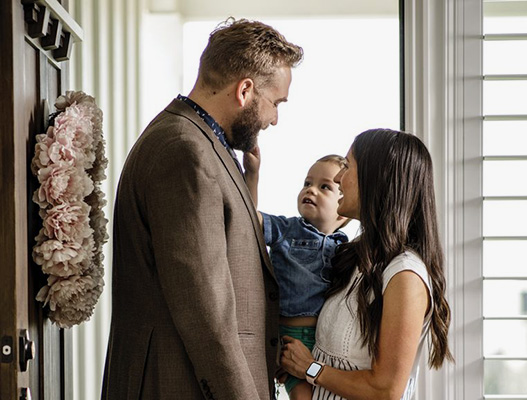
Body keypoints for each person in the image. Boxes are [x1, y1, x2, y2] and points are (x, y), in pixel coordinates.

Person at [101, 18, 303, 400]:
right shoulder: (185, 151)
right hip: (178, 385)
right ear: (245, 90)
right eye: (275, 103)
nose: (274, 118)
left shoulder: (198, 141)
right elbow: (206, 313)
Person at [279, 129, 453, 400]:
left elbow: (385, 390)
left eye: (347, 167)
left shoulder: (405, 275)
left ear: (376, 180)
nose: (338, 177)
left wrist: (310, 368)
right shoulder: (355, 259)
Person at [243, 148, 350, 400]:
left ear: (342, 210)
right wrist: (252, 175)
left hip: (324, 343)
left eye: (325, 187)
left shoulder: (346, 248)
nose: (311, 190)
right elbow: (246, 217)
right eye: (307, 183)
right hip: (285, 338)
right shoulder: (288, 229)